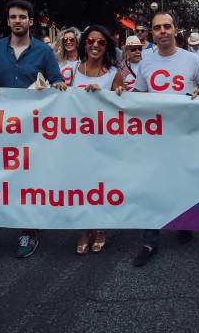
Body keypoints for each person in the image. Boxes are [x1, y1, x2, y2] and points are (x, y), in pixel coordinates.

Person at [130, 11, 199, 267]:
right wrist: (122, 95)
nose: (163, 31)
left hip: (185, 135)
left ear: (176, 30)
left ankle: (184, 222)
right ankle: (149, 241)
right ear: (152, 33)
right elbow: (139, 94)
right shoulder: (145, 62)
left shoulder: (191, 59)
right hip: (155, 136)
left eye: (167, 26)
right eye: (158, 28)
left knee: (184, 180)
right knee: (152, 185)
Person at [0, 0, 66, 259]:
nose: (17, 21)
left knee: (29, 177)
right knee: (10, 175)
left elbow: (56, 80)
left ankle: (28, 231)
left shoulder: (43, 51)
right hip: (5, 125)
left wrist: (59, 86)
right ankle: (21, 219)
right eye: (13, 17)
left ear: (30, 21)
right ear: (8, 21)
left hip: (34, 127)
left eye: (22, 17)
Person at [71, 25, 125, 254]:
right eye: (91, 41)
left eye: (101, 42)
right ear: (84, 44)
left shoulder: (114, 74)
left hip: (104, 140)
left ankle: (100, 227)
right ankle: (84, 229)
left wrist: (106, 96)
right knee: (80, 185)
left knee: (101, 185)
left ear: (107, 47)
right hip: (76, 139)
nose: (95, 45)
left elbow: (121, 105)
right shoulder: (73, 69)